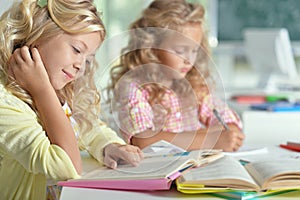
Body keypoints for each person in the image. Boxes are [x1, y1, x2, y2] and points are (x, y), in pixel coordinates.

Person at [0, 0, 143, 199]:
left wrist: (108, 146)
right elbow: (68, 167)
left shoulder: (61, 93)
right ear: (39, 33)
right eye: (76, 50)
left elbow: (89, 129)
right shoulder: (6, 103)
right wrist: (42, 90)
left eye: (88, 59)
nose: (81, 66)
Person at [107, 0, 245, 152]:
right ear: (151, 47)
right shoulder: (134, 87)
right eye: (180, 51)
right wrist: (209, 139)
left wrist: (228, 134)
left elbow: (230, 123)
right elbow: (143, 140)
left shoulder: (194, 84)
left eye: (194, 51)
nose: (189, 59)